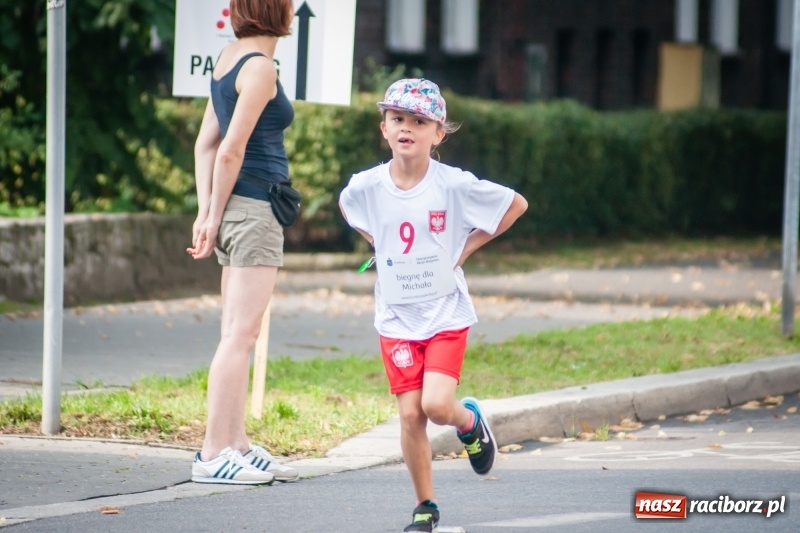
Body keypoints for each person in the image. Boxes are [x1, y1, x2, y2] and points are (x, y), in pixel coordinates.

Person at [338, 78, 528, 532]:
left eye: (419, 121)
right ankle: (426, 506)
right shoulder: (365, 187)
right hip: (397, 316)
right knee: (409, 414)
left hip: (444, 311)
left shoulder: (454, 185)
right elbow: (350, 211)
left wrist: (462, 251)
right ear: (383, 128)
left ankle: (469, 423)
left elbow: (515, 205)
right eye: (397, 119)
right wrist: (380, 246)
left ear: (438, 133)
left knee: (438, 406)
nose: (407, 128)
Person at [185, 0, 299, 485]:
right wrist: (209, 215)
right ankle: (212, 453)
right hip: (253, 211)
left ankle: (236, 443)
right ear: (279, 12)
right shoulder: (261, 69)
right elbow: (229, 149)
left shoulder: (229, 57)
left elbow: (204, 145)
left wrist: (206, 211)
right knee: (240, 335)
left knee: (236, 332)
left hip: (237, 209)